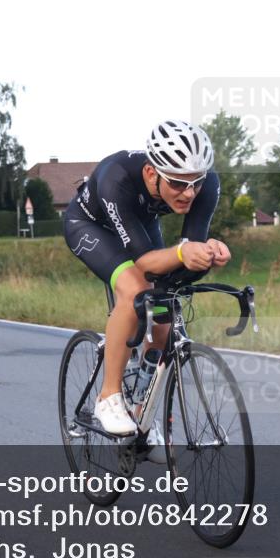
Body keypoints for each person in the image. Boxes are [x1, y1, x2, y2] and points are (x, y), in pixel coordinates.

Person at [62, 120, 231, 452]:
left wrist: (208, 252)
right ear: (153, 173)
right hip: (91, 227)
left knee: (164, 313)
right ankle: (109, 396)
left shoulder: (205, 184)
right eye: (179, 184)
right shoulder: (117, 176)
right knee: (137, 291)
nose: (189, 193)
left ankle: (141, 408)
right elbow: (144, 261)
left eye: (195, 184)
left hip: (139, 225)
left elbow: (186, 252)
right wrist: (183, 252)